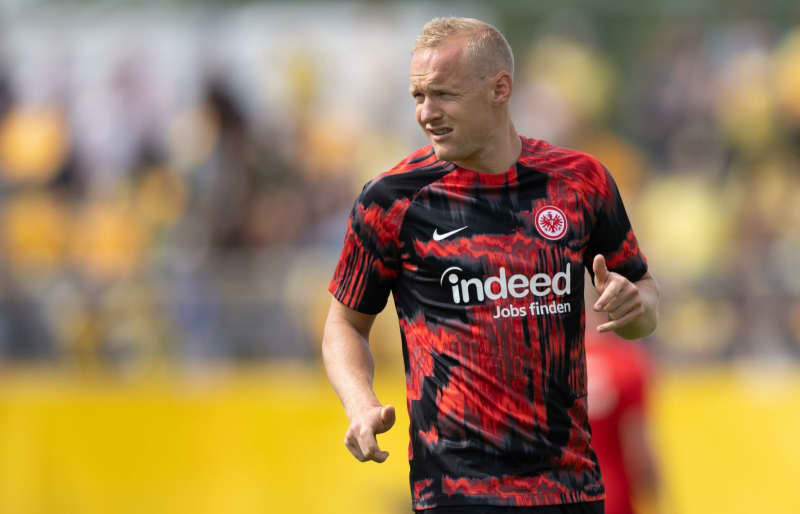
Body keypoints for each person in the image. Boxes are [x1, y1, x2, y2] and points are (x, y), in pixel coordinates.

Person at [322, 17, 660, 514]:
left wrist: (637, 307)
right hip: (457, 493)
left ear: (500, 88)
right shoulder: (392, 200)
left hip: (570, 491)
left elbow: (644, 303)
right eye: (418, 96)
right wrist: (360, 403)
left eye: (443, 95)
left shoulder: (581, 182)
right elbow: (344, 325)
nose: (426, 113)